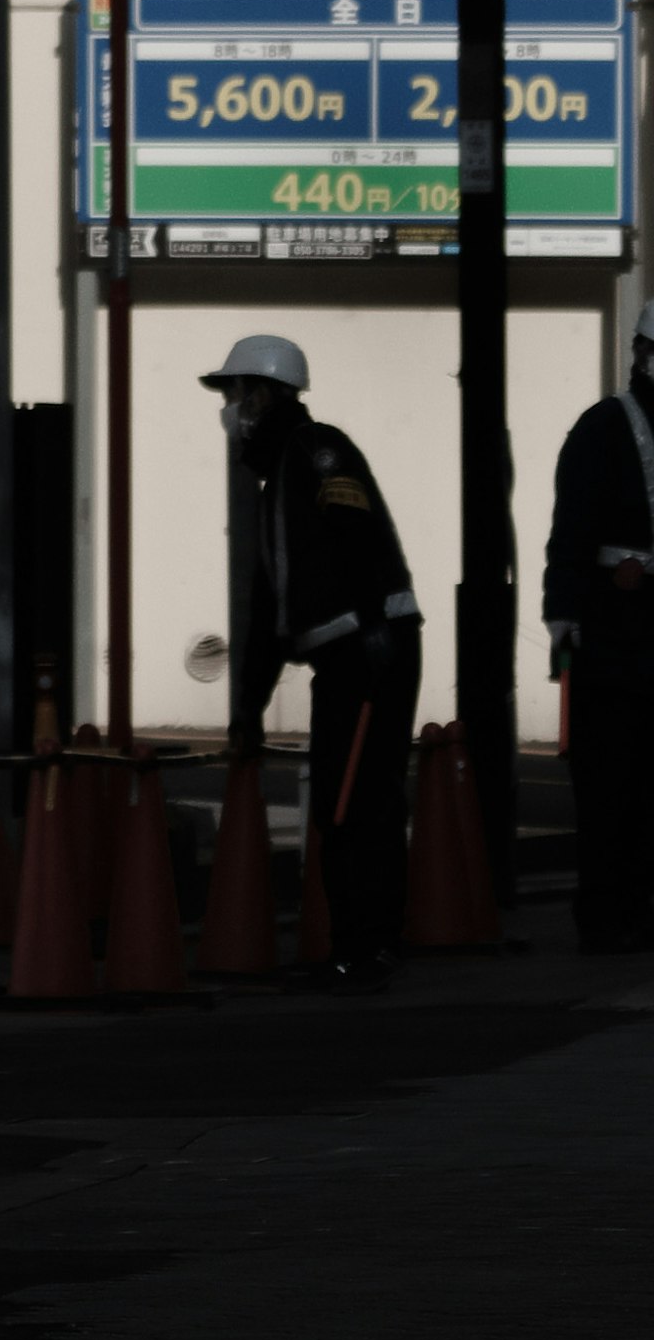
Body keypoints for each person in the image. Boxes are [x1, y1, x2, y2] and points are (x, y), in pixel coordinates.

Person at [210, 329, 423, 982]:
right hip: (348, 659)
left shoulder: (319, 452)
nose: (230, 410)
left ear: (267, 396)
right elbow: (269, 615)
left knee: (356, 806)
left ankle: (368, 949)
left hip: (366, 656)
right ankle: (358, 946)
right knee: (344, 802)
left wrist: (374, 631)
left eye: (237, 394)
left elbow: (360, 537)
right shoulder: (278, 483)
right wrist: (249, 706)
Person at [544, 298, 654, 950]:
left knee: (643, 783)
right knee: (610, 775)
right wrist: (564, 619)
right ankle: (606, 909)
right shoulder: (605, 426)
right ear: (641, 354)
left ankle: (634, 903)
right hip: (615, 627)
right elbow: (572, 530)